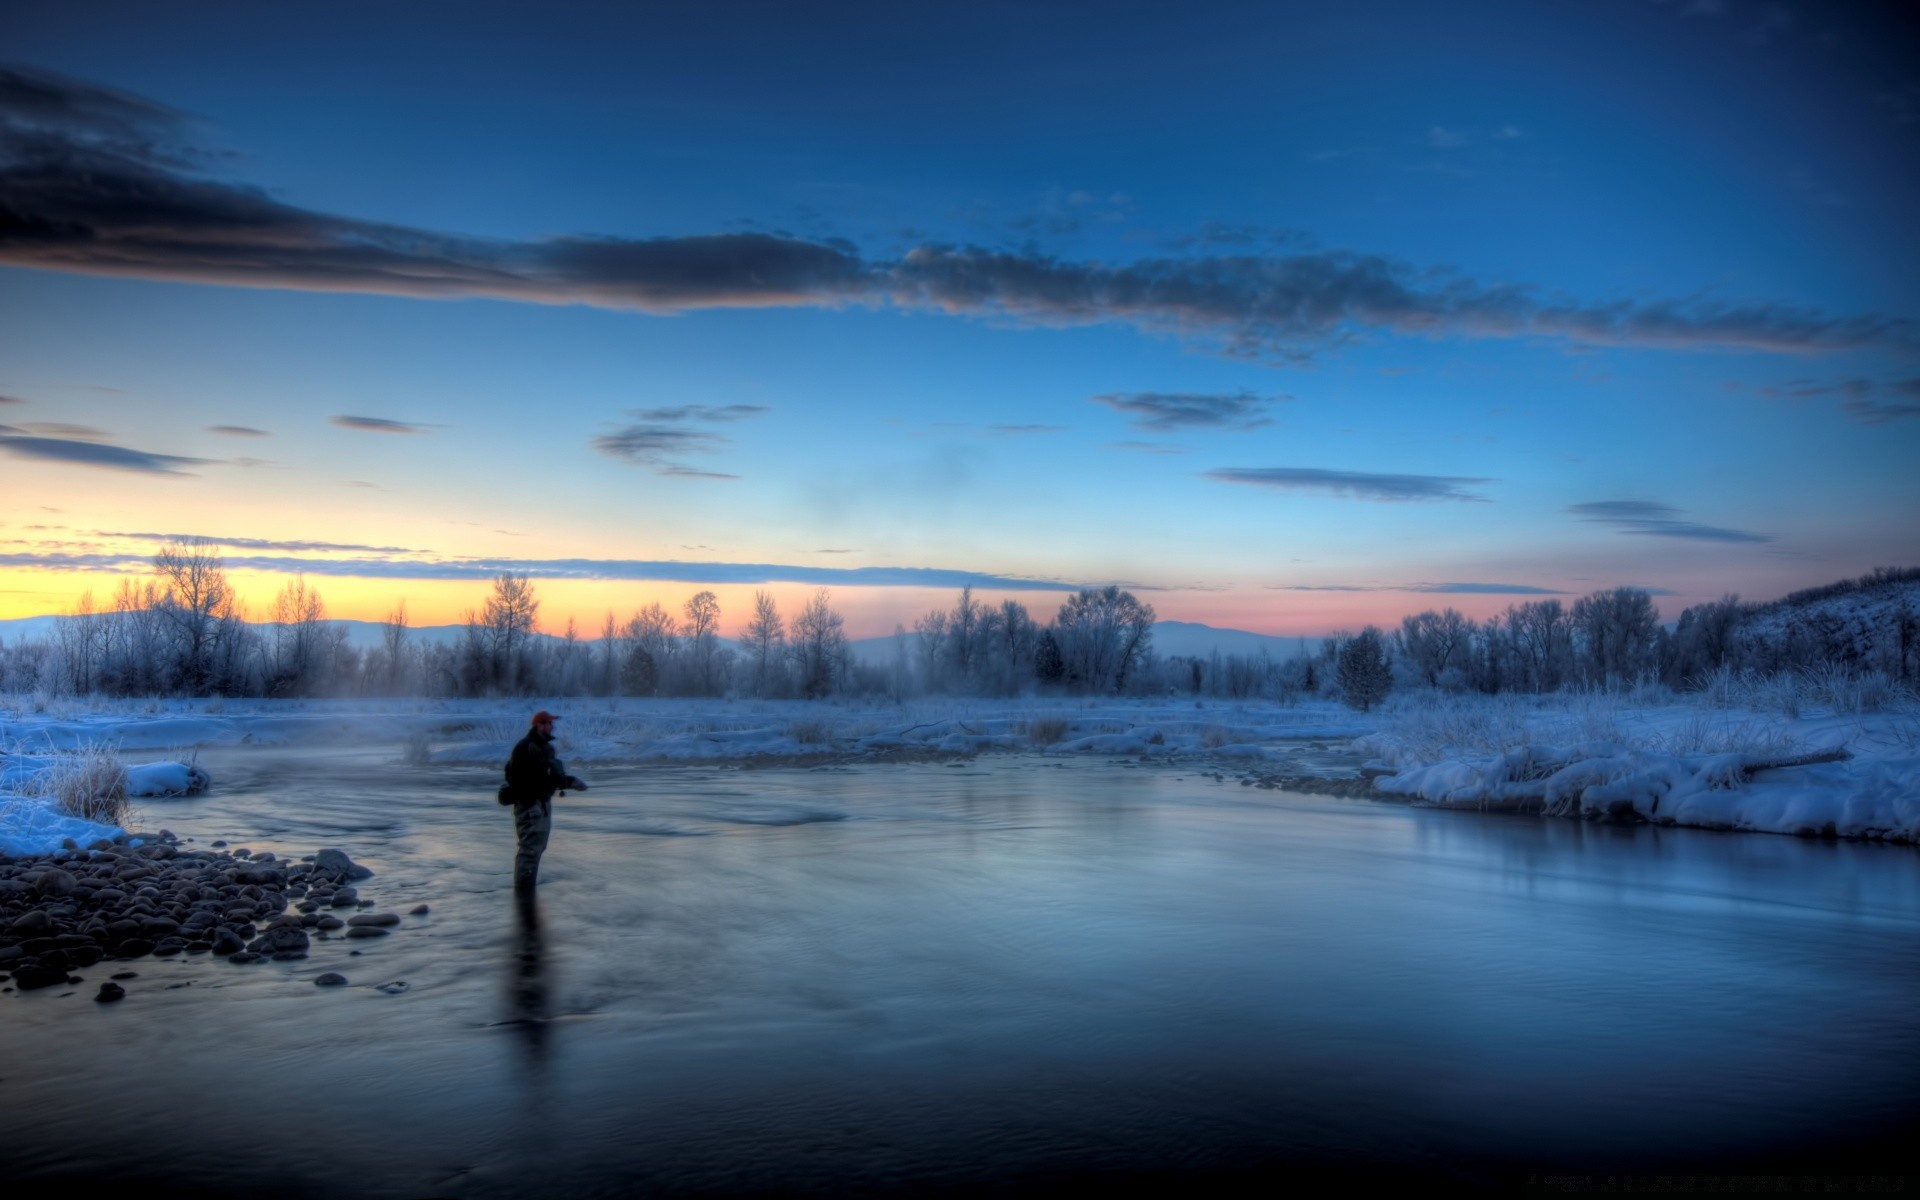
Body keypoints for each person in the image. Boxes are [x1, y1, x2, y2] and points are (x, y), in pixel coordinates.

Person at [502, 710, 586, 891]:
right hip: (529, 806)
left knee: (538, 847)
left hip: (543, 805)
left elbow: (551, 776)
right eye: (549, 723)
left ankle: (526, 890)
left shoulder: (547, 749)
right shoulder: (525, 747)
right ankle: (523, 892)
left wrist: (569, 782)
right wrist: (533, 801)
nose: (552, 726)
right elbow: (518, 780)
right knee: (529, 849)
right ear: (539, 725)